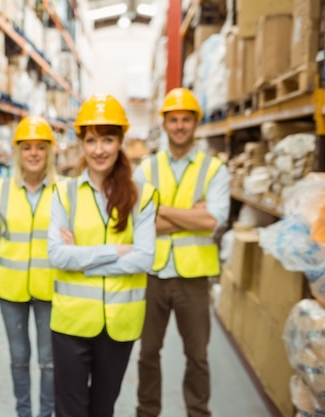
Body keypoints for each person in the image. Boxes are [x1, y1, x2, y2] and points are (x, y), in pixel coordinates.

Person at [47, 94, 158, 417]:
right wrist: (114, 250)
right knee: (70, 410)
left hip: (120, 324)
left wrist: (81, 256)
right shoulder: (64, 194)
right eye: (92, 140)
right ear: (81, 142)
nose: (99, 150)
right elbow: (56, 255)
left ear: (121, 141)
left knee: (103, 409)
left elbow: (145, 259)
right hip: (71, 323)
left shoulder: (143, 196)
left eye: (108, 140)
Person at [133, 87, 230, 417]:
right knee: (147, 353)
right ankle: (147, 412)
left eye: (185, 120)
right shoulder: (146, 169)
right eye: (173, 120)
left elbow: (213, 220)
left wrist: (161, 209)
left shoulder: (214, 169)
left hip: (194, 277)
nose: (179, 126)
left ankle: (198, 412)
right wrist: (191, 215)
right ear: (164, 123)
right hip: (153, 273)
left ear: (195, 123)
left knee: (198, 355)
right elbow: (136, 222)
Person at [0, 116, 59, 417]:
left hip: (52, 290)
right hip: (12, 291)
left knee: (49, 362)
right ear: (17, 152)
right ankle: (24, 413)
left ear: (50, 151)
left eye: (40, 147)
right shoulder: (1, 190)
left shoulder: (65, 191)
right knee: (19, 358)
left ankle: (46, 413)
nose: (33, 153)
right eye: (27, 147)